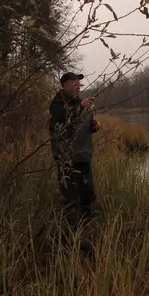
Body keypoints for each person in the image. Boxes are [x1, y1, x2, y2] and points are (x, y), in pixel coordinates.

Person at [49, 72, 102, 221]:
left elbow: (84, 125)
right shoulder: (57, 103)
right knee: (71, 195)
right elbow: (64, 121)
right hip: (66, 157)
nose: (78, 87)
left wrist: (94, 125)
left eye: (79, 84)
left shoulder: (79, 102)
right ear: (64, 85)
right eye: (75, 84)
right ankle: (70, 231)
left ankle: (87, 225)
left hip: (83, 156)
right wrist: (81, 108)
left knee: (87, 192)